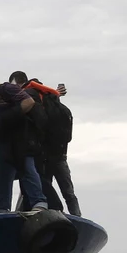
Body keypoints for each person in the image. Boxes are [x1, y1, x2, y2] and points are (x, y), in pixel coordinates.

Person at [0, 72, 47, 213]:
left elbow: (29, 102)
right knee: (2, 174)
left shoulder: (7, 89)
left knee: (27, 169)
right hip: (1, 141)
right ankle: (3, 208)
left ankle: (39, 202)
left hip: (19, 139)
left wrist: (7, 117)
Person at [11, 71, 80, 216]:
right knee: (68, 191)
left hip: (41, 153)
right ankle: (76, 218)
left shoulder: (28, 96)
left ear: (17, 83)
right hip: (59, 152)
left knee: (39, 183)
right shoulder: (50, 98)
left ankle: (46, 214)